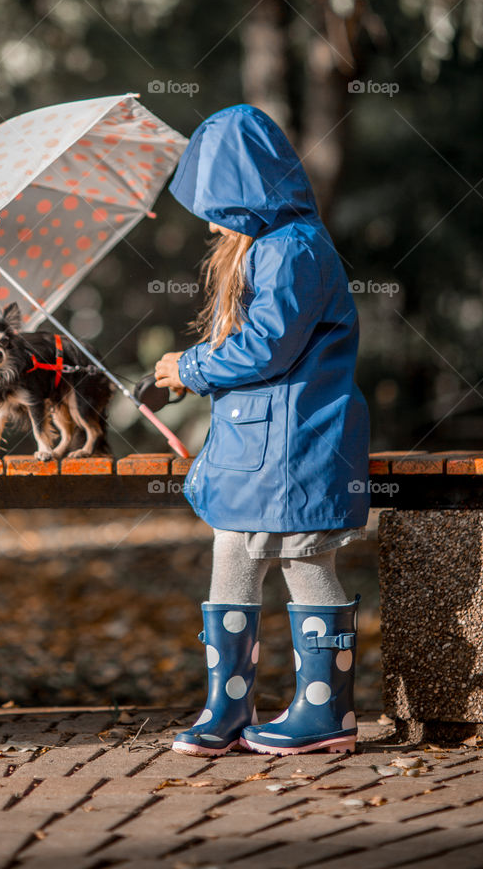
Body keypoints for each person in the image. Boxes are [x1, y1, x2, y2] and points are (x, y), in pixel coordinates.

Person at [154, 103, 370, 756]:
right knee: (234, 548)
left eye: (216, 199)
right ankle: (229, 703)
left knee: (303, 556)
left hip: (294, 441)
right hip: (259, 440)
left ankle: (322, 711)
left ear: (245, 189)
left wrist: (190, 366)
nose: (209, 216)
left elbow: (266, 348)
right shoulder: (270, 247)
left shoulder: (293, 249)